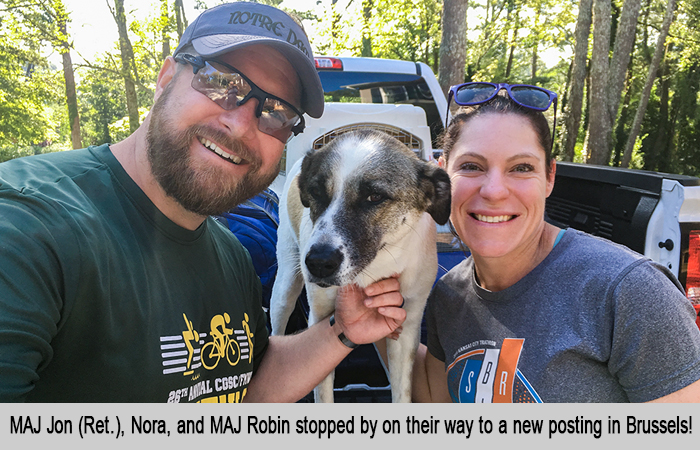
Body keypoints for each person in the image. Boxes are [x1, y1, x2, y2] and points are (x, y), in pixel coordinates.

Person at [0, 2, 405, 403]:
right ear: (166, 77)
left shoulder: (228, 254)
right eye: (222, 81)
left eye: (276, 111)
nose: (241, 124)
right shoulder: (26, 225)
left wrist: (342, 330)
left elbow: (247, 386)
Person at [412, 82, 700, 403]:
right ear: (442, 176)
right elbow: (438, 405)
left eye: (521, 168)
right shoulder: (449, 295)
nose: (494, 190)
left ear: (549, 177)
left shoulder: (628, 292)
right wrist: (385, 324)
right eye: (471, 166)